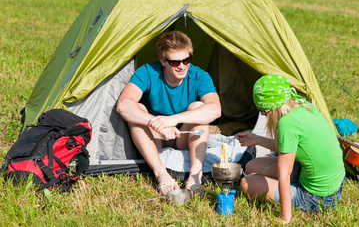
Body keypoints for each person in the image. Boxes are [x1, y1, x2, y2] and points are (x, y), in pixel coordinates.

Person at [117, 30, 221, 195]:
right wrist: (156, 123)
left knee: (198, 106)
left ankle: (195, 176)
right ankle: (161, 173)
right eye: (175, 62)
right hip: (156, 137)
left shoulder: (199, 75)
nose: (182, 66)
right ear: (162, 61)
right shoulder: (148, 72)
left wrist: (172, 120)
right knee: (138, 110)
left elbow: (215, 109)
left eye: (186, 60)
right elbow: (123, 105)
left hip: (183, 137)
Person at [236, 75, 345, 223]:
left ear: (272, 108)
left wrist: (285, 217)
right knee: (250, 166)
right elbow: (291, 146)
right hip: (333, 184)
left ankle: (292, 201)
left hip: (318, 197)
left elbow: (284, 174)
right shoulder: (303, 105)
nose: (265, 117)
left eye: (263, 112)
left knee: (246, 184)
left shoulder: (286, 123)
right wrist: (257, 139)